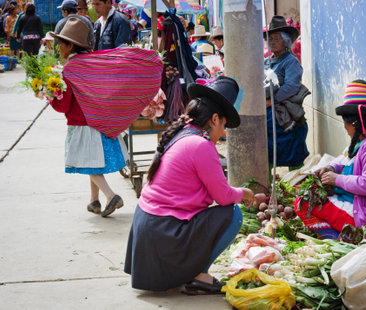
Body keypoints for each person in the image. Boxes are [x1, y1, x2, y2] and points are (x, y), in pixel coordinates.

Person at [124, 76, 255, 294]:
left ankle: (190, 271)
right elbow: (223, 197)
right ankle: (199, 275)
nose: (223, 134)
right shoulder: (200, 145)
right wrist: (245, 193)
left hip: (149, 227)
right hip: (162, 231)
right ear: (214, 119)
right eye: (223, 125)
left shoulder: (183, 133)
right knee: (233, 214)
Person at [295, 80, 366, 238]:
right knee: (307, 197)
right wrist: (331, 168)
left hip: (364, 213)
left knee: (303, 204)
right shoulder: (362, 141)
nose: (345, 127)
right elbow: (344, 158)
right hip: (353, 200)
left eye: (346, 123)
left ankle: (344, 238)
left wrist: (337, 179)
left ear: (356, 123)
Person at [49, 17, 126, 217]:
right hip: (99, 121)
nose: (58, 48)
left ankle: (111, 196)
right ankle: (94, 201)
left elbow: (63, 105)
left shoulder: (69, 70)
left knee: (86, 162)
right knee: (92, 162)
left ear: (70, 45)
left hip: (81, 124)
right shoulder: (92, 63)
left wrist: (50, 97)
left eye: (60, 43)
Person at [264, 15, 309, 171]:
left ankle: (297, 186)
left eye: (276, 38)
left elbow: (291, 86)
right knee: (265, 152)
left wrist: (271, 101)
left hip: (285, 113)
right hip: (267, 113)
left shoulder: (290, 61)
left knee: (293, 154)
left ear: (285, 41)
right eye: (270, 39)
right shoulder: (267, 61)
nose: (272, 42)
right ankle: (267, 189)